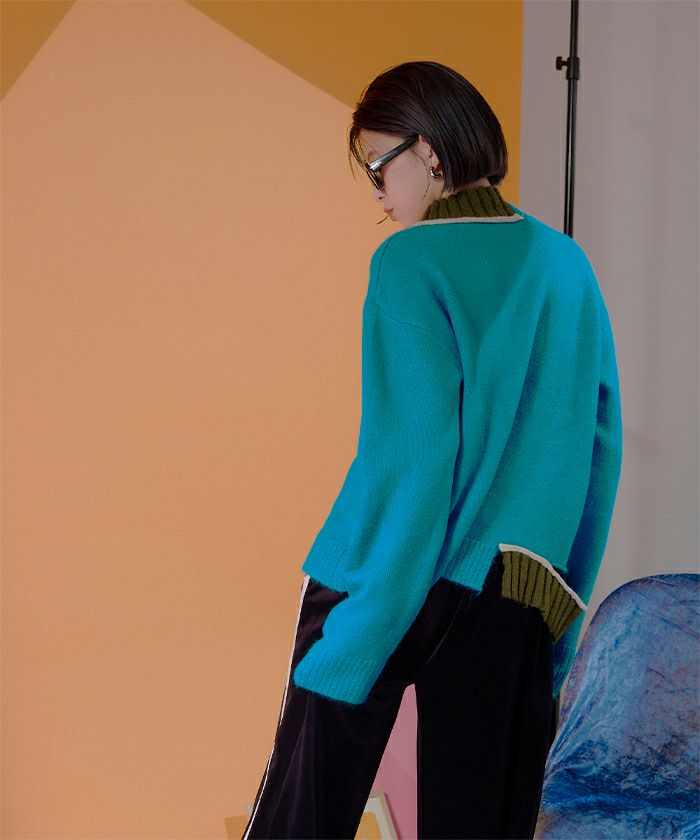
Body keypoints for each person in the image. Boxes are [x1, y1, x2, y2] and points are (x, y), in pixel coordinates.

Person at [241, 60, 623, 840]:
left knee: (299, 817)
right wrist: (555, 623)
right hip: (517, 590)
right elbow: (599, 454)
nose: (379, 195)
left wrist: (369, 620)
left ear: (429, 151)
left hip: (388, 576)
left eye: (380, 168)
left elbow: (412, 459)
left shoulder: (409, 261)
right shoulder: (566, 265)